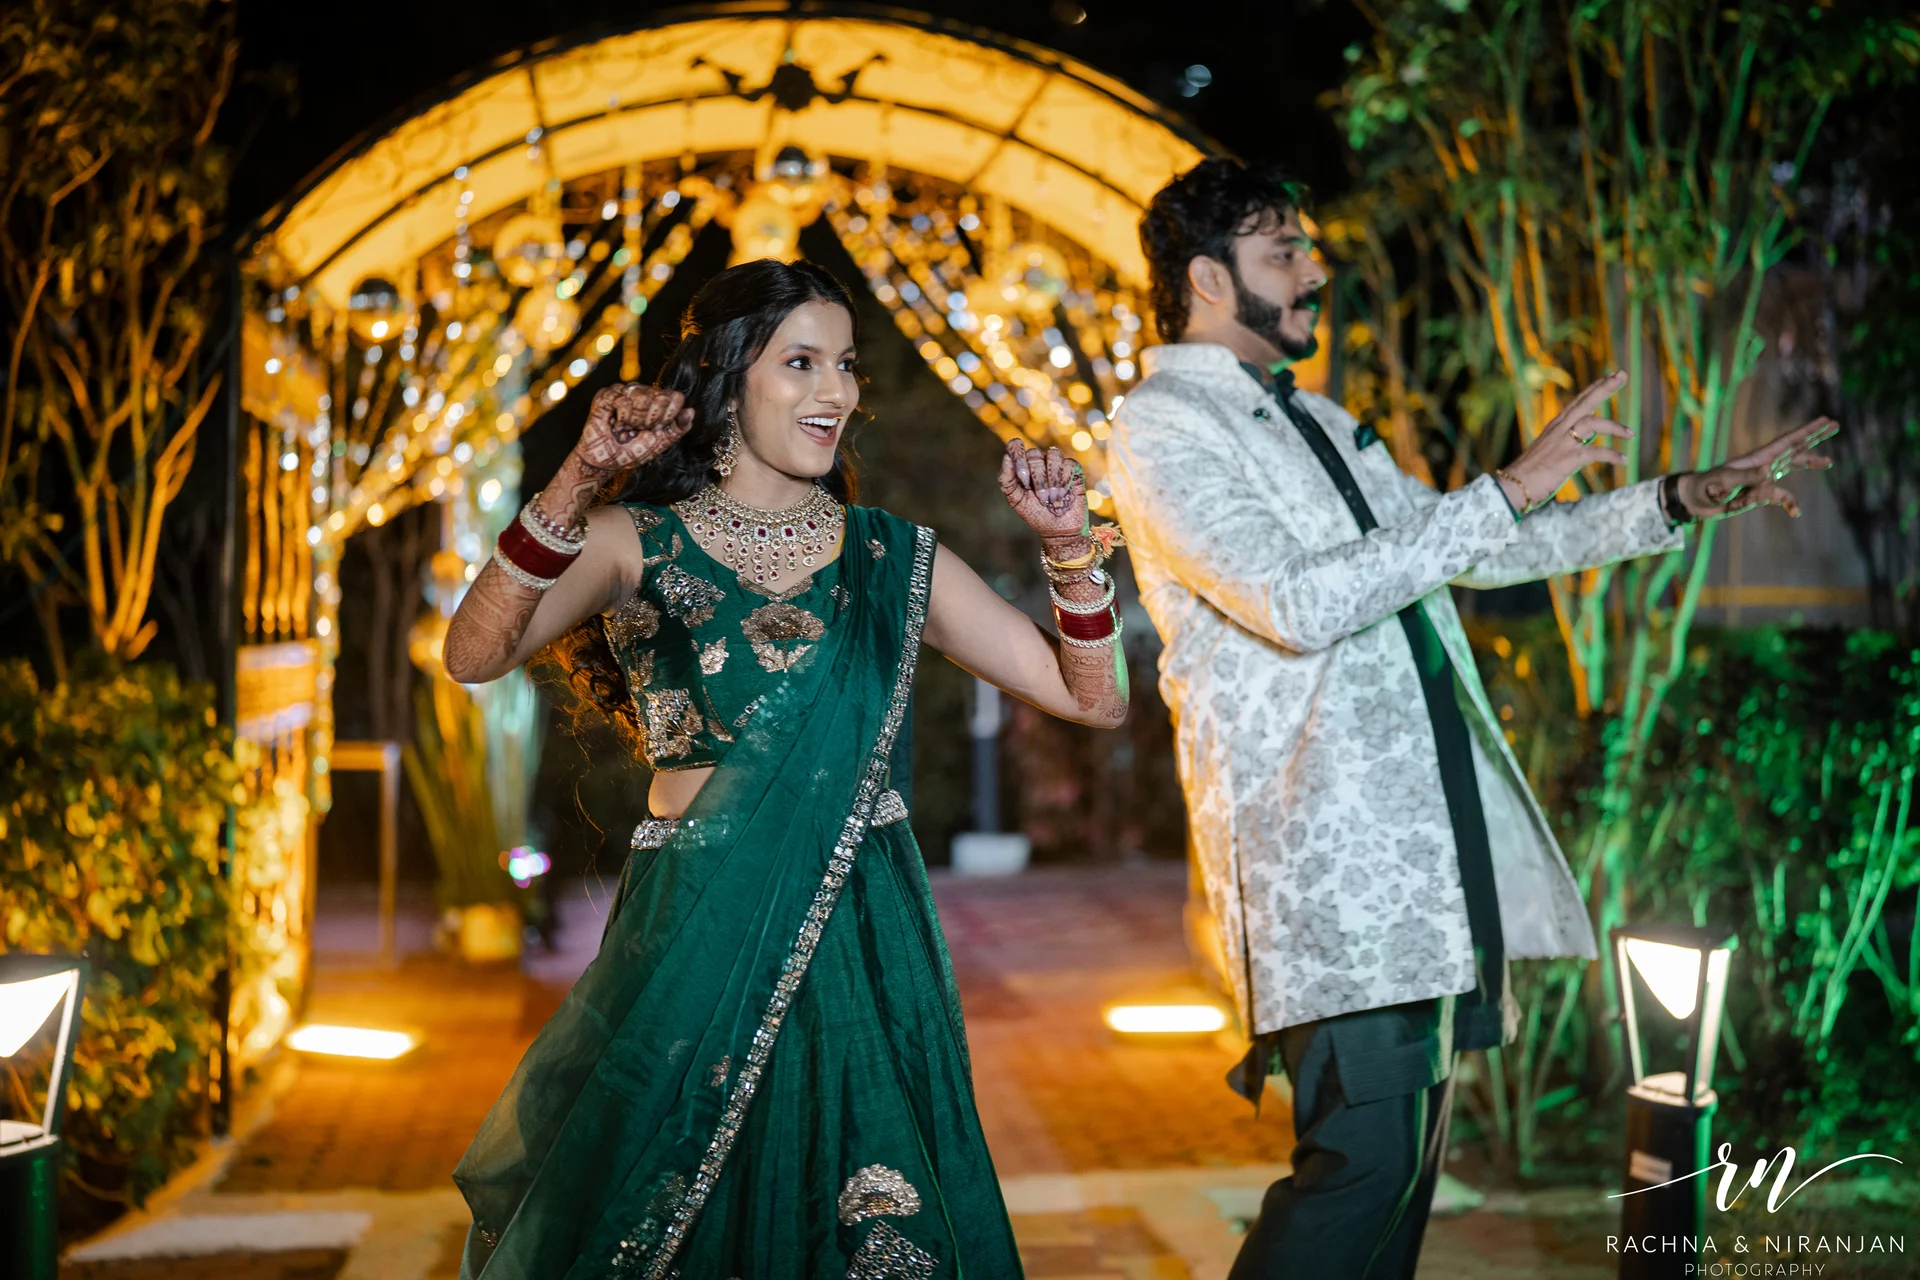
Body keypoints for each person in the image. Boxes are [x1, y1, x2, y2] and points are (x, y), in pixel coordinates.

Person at [1105, 158, 1837, 1279]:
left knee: (1400, 1179)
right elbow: (1298, 603)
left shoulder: (1317, 417)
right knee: (1360, 1164)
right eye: (1283, 251)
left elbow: (1483, 545)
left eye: (1307, 246)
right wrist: (1508, 483)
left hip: (1426, 852)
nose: (1315, 271)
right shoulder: (1163, 425)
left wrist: (1675, 498)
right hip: (1330, 859)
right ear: (1207, 278)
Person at [441, 258, 1128, 1278]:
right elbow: (473, 653)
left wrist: (1070, 551)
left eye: (845, 364)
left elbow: (1092, 695)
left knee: (867, 1204)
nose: (837, 392)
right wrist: (579, 475)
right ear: (725, 379)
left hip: (862, 924)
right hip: (695, 924)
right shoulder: (637, 541)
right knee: (674, 1207)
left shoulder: (890, 556)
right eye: (801, 362)